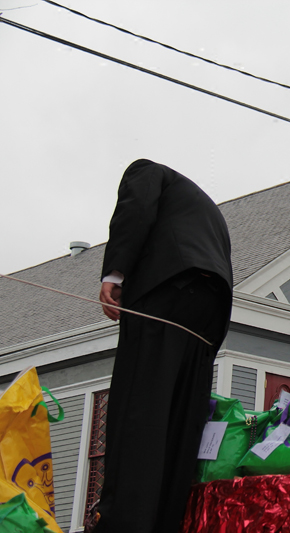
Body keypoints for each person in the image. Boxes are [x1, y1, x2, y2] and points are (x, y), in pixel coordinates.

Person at [91, 159, 233, 533]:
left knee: (139, 411)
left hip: (167, 292)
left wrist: (114, 272)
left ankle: (124, 522)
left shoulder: (146, 170)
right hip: (209, 312)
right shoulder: (204, 209)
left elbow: (135, 208)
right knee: (181, 422)